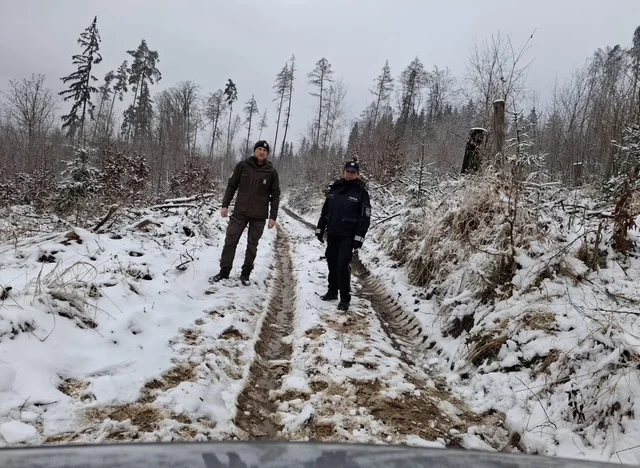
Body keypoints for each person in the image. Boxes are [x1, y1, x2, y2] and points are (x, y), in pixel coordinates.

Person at [210, 140, 280, 286]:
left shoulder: (271, 172)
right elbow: (231, 185)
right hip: (240, 212)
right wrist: (225, 205)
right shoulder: (243, 166)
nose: (262, 152)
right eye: (259, 149)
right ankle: (224, 272)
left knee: (252, 245)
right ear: (255, 150)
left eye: (265, 150)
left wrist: (273, 216)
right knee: (230, 240)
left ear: (267, 154)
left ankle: (245, 274)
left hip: (259, 215)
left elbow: (275, 194)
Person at [315, 161, 371, 311]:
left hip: (348, 235)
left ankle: (345, 299)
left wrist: (359, 237)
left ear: (358, 174)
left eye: (353, 172)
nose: (350, 174)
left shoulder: (361, 192)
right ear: (343, 172)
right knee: (332, 262)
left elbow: (364, 218)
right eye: (348, 171)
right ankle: (332, 291)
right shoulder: (335, 188)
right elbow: (325, 211)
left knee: (342, 266)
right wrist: (320, 228)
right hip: (332, 233)